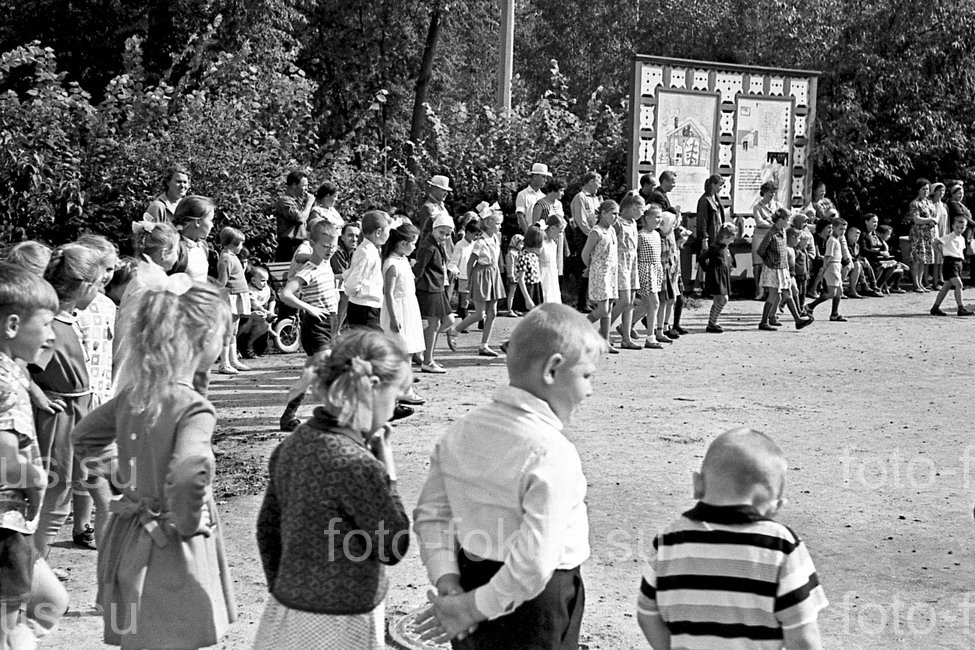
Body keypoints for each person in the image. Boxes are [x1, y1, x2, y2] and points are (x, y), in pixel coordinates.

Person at [414, 304, 605, 648]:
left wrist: (448, 582)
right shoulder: (551, 452)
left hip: (469, 576)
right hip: (538, 603)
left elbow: (432, 515)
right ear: (553, 370)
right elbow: (533, 563)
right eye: (587, 376)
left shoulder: (460, 431)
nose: (590, 390)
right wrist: (471, 609)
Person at [72, 278, 238, 648]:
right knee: (176, 633)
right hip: (175, 541)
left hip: (130, 535)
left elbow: (83, 437)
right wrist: (189, 520)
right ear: (206, 336)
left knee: (140, 632)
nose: (226, 343)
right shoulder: (193, 408)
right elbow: (187, 472)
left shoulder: (135, 395)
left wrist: (124, 479)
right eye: (224, 335)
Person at [254, 331, 411, 649]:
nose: (394, 410)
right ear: (374, 388)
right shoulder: (357, 463)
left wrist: (288, 589)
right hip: (346, 619)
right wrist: (387, 470)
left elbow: (266, 529)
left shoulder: (293, 445)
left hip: (289, 610)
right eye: (396, 398)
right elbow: (394, 544)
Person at [637, 428, 828, 650]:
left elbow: (647, 614)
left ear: (697, 483)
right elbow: (803, 635)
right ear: (775, 506)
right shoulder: (781, 547)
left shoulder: (669, 541)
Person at [0, 264, 68, 649]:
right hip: (5, 525)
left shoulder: (12, 371)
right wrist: (38, 482)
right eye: (44, 325)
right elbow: (4, 456)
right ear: (12, 325)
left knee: (50, 601)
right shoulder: (5, 383)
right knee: (10, 634)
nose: (51, 335)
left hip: (14, 524)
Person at [29, 245, 103, 561]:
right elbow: (17, 367)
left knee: (67, 495)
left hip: (77, 415)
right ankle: (31, 572)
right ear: (83, 286)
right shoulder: (50, 326)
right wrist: (39, 395)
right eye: (98, 285)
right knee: (54, 502)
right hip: (59, 423)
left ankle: (35, 568)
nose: (101, 291)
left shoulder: (66, 320)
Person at [72, 234, 120, 548]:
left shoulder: (107, 305)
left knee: (92, 467)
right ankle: (80, 525)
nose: (108, 276)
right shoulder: (75, 307)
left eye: (112, 270)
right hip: (78, 396)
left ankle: (84, 526)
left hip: (102, 394)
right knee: (79, 469)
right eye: (104, 269)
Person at [278, 220, 341, 431]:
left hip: (329, 324)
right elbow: (285, 293)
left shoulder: (326, 265)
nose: (329, 251)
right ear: (312, 243)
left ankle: (288, 416)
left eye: (333, 246)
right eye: (324, 246)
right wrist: (308, 308)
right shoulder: (309, 269)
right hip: (315, 326)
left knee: (309, 374)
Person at [446, 212, 506, 357]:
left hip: (493, 273)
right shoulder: (480, 242)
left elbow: (496, 258)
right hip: (482, 274)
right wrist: (470, 279)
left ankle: (484, 345)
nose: (500, 226)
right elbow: (471, 262)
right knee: (480, 313)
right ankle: (455, 330)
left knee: (493, 312)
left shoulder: (495, 239)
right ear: (489, 224)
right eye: (497, 223)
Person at [756, 209, 814, 331]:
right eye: (787, 220)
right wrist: (770, 261)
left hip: (783, 269)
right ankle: (763, 322)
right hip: (773, 269)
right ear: (781, 220)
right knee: (773, 295)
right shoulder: (771, 234)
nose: (788, 222)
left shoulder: (783, 232)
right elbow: (761, 250)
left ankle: (797, 320)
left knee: (787, 293)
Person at [414, 213, 456, 373]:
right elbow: (419, 269)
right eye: (441, 233)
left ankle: (421, 351)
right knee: (434, 324)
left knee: (449, 320)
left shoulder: (436, 244)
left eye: (447, 234)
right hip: (429, 288)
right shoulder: (428, 246)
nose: (444, 237)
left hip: (437, 287)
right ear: (434, 229)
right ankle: (428, 360)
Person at [381, 222, 425, 361]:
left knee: (409, 347)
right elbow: (388, 292)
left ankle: (406, 377)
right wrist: (394, 318)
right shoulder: (392, 264)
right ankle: (399, 378)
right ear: (402, 244)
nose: (415, 247)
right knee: (401, 346)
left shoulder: (403, 260)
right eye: (413, 243)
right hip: (398, 309)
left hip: (409, 306)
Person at [345, 211, 394, 331]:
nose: (389, 235)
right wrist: (353, 292)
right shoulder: (366, 253)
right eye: (387, 232)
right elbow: (354, 280)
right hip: (363, 307)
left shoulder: (374, 250)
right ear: (378, 232)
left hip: (371, 306)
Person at [582, 200, 620, 352]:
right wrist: (590, 267)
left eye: (617, 214)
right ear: (603, 213)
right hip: (599, 272)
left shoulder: (611, 230)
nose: (616, 217)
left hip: (611, 271)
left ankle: (605, 341)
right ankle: (581, 326)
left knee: (609, 307)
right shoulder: (596, 232)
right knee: (603, 308)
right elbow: (586, 253)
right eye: (613, 214)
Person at [216, 227, 252, 374]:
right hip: (231, 296)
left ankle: (233, 360)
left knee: (233, 330)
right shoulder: (225, 258)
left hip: (238, 295)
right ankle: (224, 362)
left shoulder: (232, 256)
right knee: (228, 330)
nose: (241, 247)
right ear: (231, 243)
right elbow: (222, 281)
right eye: (240, 244)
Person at [609, 192, 642, 349]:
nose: (642, 214)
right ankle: (603, 331)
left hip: (632, 264)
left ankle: (626, 337)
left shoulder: (633, 223)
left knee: (630, 303)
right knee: (624, 300)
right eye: (641, 210)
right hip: (621, 263)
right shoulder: (618, 223)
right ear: (634, 207)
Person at [631, 204, 663, 348]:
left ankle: (627, 324)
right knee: (654, 303)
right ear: (648, 218)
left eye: (660, 217)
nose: (659, 220)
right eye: (656, 217)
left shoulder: (656, 234)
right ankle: (650, 337)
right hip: (645, 270)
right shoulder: (641, 235)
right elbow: (635, 254)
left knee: (645, 305)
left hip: (655, 270)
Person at [569, 172, 601, 311]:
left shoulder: (596, 198)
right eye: (598, 182)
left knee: (594, 267)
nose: (600, 186)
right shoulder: (580, 197)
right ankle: (582, 302)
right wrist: (590, 234)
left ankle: (591, 298)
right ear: (591, 181)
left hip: (595, 234)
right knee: (584, 267)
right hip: (584, 235)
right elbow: (580, 220)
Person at [930, 215, 974, 316]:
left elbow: (961, 251)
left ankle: (935, 308)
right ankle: (961, 308)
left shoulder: (962, 239)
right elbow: (934, 243)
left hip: (958, 263)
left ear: (965, 228)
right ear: (953, 226)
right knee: (959, 284)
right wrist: (941, 253)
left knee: (946, 286)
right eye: (957, 227)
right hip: (950, 263)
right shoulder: (948, 237)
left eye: (962, 228)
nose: (959, 229)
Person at [806, 218, 849, 322]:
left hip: (837, 265)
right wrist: (824, 267)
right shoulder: (832, 240)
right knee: (831, 293)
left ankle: (834, 314)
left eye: (844, 229)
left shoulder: (837, 239)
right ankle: (810, 306)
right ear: (834, 228)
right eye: (840, 229)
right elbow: (828, 255)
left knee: (839, 291)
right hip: (832, 266)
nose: (843, 231)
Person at [169, 195, 215, 282]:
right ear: (198, 222)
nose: (212, 225)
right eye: (210, 220)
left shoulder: (203, 246)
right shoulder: (175, 248)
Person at [700, 223, 736, 333]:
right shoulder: (714, 248)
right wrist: (708, 270)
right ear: (725, 238)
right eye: (731, 238)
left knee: (717, 299)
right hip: (716, 275)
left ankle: (712, 322)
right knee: (723, 298)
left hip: (723, 275)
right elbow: (702, 258)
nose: (733, 241)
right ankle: (712, 321)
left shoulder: (725, 247)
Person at [694, 174, 726, 294]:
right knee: (707, 261)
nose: (721, 188)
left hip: (718, 235)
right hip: (710, 236)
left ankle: (712, 286)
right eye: (719, 185)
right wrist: (704, 238)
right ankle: (702, 286)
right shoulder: (704, 200)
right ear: (712, 184)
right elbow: (702, 220)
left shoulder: (716, 198)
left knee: (715, 261)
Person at [275, 170, 316, 262]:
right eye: (304, 185)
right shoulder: (285, 201)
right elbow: (300, 218)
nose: (307, 188)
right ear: (294, 185)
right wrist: (309, 203)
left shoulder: (299, 202)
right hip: (289, 246)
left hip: (301, 243)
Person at [907, 178, 938, 292]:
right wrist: (929, 219)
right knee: (917, 259)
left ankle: (920, 283)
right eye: (923, 189)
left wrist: (933, 220)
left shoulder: (930, 203)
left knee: (924, 260)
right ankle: (916, 284)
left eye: (927, 189)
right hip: (918, 233)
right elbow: (916, 219)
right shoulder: (915, 203)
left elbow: (935, 216)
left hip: (928, 234)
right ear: (918, 190)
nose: (926, 191)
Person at [240, 264, 276, 359]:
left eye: (266, 281)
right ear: (253, 280)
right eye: (263, 281)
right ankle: (235, 346)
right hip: (245, 316)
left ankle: (249, 345)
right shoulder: (249, 290)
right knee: (246, 324)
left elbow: (273, 298)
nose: (265, 284)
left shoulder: (266, 288)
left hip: (259, 315)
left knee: (266, 323)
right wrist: (266, 312)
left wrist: (270, 312)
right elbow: (256, 305)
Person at [752, 181, 780, 300]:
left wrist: (769, 222)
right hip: (759, 235)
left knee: (770, 263)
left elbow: (782, 219)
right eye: (770, 192)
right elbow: (759, 222)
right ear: (763, 192)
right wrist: (773, 223)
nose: (772, 195)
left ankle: (770, 291)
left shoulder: (777, 205)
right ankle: (759, 291)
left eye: (773, 192)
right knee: (758, 263)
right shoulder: (757, 206)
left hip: (772, 236)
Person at [447, 220, 479, 322]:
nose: (476, 237)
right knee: (465, 300)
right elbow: (454, 262)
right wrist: (455, 271)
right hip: (464, 275)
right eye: (475, 234)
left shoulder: (476, 244)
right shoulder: (460, 245)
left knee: (478, 299)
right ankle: (465, 321)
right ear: (468, 233)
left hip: (475, 274)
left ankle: (481, 320)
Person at [863, 219, 907, 293]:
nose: (889, 236)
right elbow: (868, 250)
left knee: (897, 266)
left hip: (882, 259)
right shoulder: (868, 236)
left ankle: (889, 286)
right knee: (885, 266)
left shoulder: (881, 242)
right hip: (874, 259)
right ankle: (878, 287)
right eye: (888, 234)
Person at [515, 163, 550, 234]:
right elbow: (520, 215)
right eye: (543, 177)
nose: (545, 180)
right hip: (529, 232)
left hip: (542, 233)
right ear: (535, 177)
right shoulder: (523, 194)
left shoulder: (544, 197)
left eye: (546, 177)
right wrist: (527, 234)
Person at [539, 213, 565, 305]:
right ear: (553, 228)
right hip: (543, 276)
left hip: (552, 276)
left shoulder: (553, 243)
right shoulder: (541, 242)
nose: (560, 235)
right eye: (560, 231)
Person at [930, 182, 948, 287]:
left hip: (943, 232)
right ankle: (934, 281)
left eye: (943, 190)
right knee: (936, 258)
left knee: (941, 258)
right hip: (935, 232)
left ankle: (941, 278)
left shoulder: (943, 205)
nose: (941, 193)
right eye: (939, 190)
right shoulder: (932, 204)